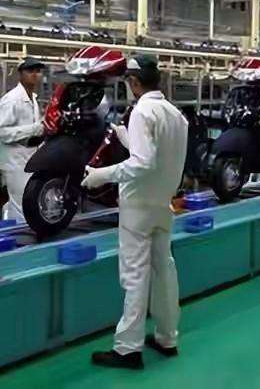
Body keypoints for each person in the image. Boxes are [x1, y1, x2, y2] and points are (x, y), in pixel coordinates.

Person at [80, 55, 186, 370]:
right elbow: (158, 155)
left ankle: (128, 349)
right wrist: (128, 140)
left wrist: (101, 175)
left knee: (135, 275)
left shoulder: (142, 111)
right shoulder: (175, 115)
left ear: (135, 82)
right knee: (164, 271)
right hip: (163, 204)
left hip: (138, 206)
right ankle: (167, 338)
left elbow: (143, 163)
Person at [0, 58, 47, 222]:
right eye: (30, 71)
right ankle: (18, 235)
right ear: (20, 74)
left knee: (29, 201)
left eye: (38, 71)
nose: (35, 75)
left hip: (31, 157)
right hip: (15, 160)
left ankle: (23, 232)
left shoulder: (33, 99)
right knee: (20, 203)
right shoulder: (12, 99)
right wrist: (34, 129)